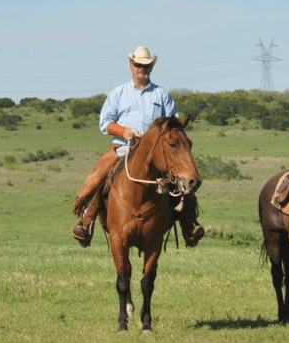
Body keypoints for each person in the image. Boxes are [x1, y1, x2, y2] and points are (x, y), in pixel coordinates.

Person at [71, 46, 204, 248]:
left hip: (155, 153)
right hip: (124, 148)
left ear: (151, 67)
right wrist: (124, 131)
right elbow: (105, 122)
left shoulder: (161, 94)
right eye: (138, 64)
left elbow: (173, 124)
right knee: (99, 177)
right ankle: (86, 220)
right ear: (130, 65)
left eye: (146, 65)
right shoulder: (118, 93)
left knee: (181, 179)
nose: (142, 68)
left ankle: (189, 224)